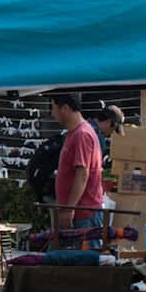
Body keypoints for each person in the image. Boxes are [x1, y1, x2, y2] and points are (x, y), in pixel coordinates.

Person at [51, 93, 106, 234]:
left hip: (83, 215)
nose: (52, 114)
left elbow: (82, 174)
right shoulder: (73, 133)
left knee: (84, 255)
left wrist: (69, 209)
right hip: (75, 213)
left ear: (65, 108)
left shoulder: (82, 134)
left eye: (53, 108)